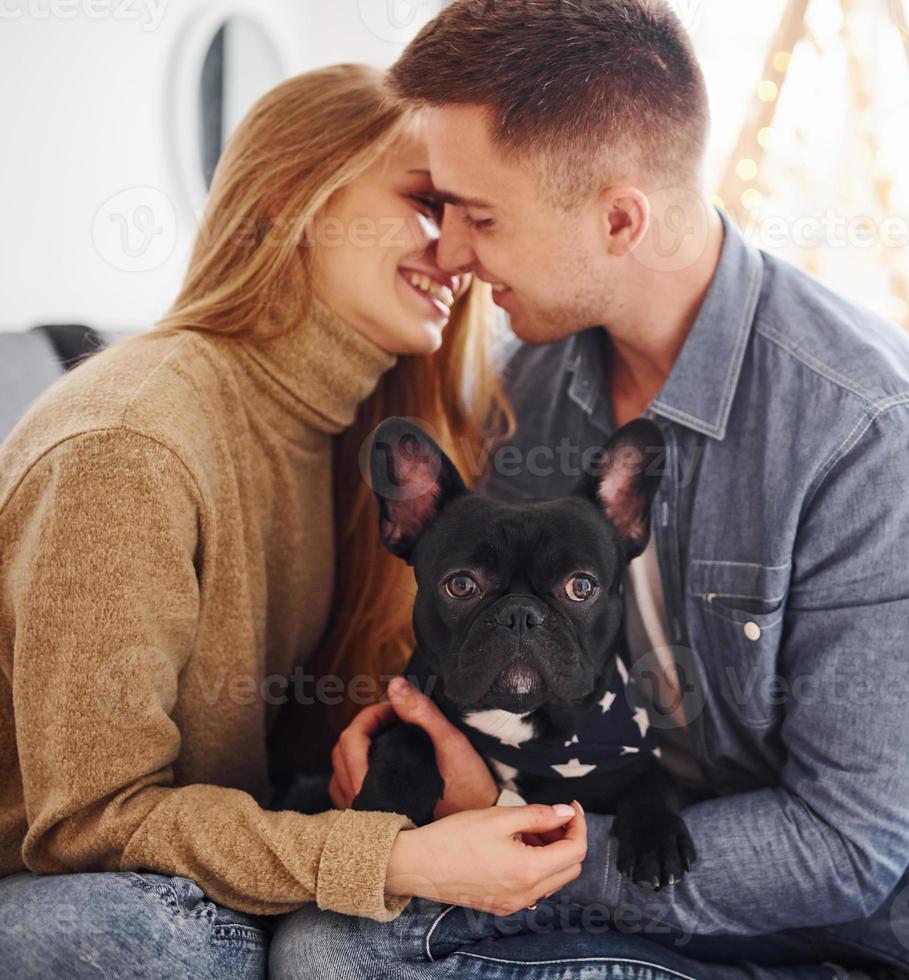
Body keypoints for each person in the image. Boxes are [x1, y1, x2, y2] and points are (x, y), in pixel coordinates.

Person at [274, 3, 909, 979]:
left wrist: (526, 853)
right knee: (333, 950)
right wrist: (428, 761)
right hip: (655, 822)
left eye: (478, 215)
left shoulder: (878, 430)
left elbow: (848, 845)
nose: (448, 250)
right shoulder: (526, 393)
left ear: (620, 219)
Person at [0, 65, 588, 980]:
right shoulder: (131, 443)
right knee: (182, 945)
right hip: (61, 884)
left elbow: (268, 771)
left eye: (472, 221)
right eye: (426, 203)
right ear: (291, 197)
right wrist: (391, 862)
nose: (459, 257)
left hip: (190, 849)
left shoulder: (341, 441)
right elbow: (88, 821)